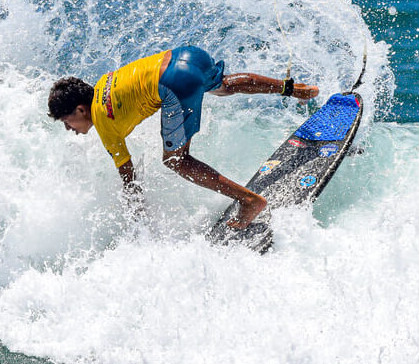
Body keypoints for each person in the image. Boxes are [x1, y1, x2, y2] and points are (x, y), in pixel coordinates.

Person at [48, 46, 318, 229]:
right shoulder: (105, 81)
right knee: (222, 86)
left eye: (66, 121)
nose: (69, 128)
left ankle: (249, 201)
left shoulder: (105, 127)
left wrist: (138, 219)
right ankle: (295, 89)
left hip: (176, 83)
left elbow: (128, 178)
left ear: (81, 109)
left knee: (176, 160)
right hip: (187, 55)